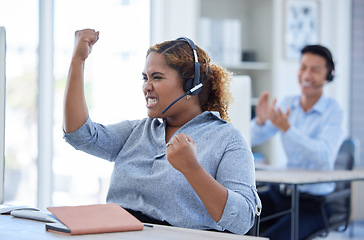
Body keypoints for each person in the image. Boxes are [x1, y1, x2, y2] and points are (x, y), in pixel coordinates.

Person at [63, 29, 261, 235]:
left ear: (190, 85)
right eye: (144, 78)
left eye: (156, 77)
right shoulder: (138, 131)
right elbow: (80, 135)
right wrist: (78, 60)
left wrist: (192, 169)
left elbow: (243, 220)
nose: (146, 87)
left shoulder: (227, 139)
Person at [251, 45, 345, 239]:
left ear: (329, 75)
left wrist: (288, 129)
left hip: (311, 205)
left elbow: (324, 157)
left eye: (315, 70)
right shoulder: (287, 103)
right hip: (280, 195)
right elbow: (250, 140)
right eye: (303, 67)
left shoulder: (333, 111)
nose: (307, 75)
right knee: (234, 223)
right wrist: (259, 122)